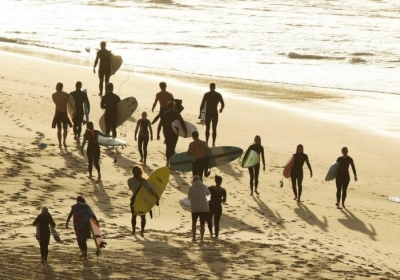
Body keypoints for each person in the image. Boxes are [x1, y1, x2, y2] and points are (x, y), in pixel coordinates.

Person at [128, 165, 159, 236]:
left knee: (133, 215)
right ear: (140, 172)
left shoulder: (129, 181)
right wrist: (157, 196)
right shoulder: (143, 181)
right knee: (143, 216)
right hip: (141, 201)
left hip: (134, 200)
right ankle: (142, 232)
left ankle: (133, 231)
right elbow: (151, 189)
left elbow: (131, 188)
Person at [157, 101, 187, 167]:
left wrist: (158, 134)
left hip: (166, 133)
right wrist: (185, 132)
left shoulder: (164, 114)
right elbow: (182, 122)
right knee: (172, 148)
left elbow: (160, 125)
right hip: (174, 133)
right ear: (173, 106)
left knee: (168, 147)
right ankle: (171, 164)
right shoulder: (176, 113)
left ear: (168, 107)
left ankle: (167, 162)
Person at [188, 175, 210, 242]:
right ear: (199, 180)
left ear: (193, 181)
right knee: (202, 224)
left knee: (194, 223)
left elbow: (189, 198)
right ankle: (201, 239)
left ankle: (194, 238)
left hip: (195, 208)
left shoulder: (191, 188)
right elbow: (208, 193)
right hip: (204, 207)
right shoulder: (203, 186)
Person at [52, 82, 72, 149]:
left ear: (58, 87)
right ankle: (64, 141)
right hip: (64, 113)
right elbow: (68, 102)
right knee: (65, 129)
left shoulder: (54, 95)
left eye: (56, 86)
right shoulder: (66, 95)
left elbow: (56, 103)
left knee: (59, 129)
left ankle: (60, 143)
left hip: (58, 113)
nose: (55, 87)